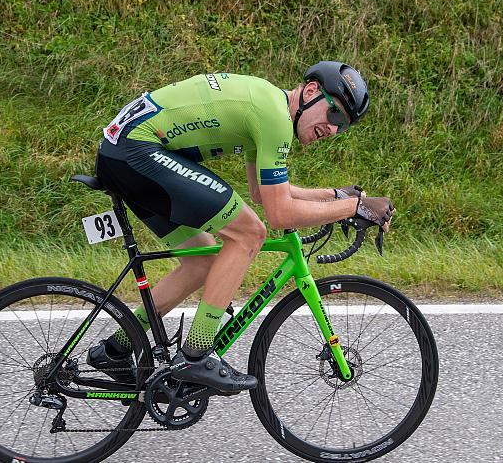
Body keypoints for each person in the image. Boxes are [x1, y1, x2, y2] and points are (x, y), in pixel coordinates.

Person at [87, 61, 394, 393]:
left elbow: (263, 194)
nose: (333, 129)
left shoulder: (270, 106)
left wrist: (334, 196)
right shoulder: (273, 118)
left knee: (202, 262)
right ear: (310, 92)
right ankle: (195, 354)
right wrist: (353, 208)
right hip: (138, 151)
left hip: (124, 153)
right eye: (335, 116)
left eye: (343, 127)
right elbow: (278, 215)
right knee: (249, 233)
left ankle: (114, 350)